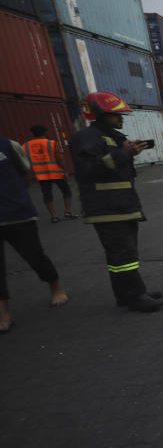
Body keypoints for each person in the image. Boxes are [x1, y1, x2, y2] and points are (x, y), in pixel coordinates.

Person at [69, 92, 163, 312]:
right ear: (101, 114)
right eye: (116, 114)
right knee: (124, 254)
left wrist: (128, 151)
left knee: (120, 255)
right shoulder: (88, 138)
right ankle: (136, 295)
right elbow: (90, 169)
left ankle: (125, 294)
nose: (121, 118)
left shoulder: (112, 136)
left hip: (121, 205)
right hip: (107, 207)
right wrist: (123, 154)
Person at [0, 136, 69, 333]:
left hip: (17, 214)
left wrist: (14, 197)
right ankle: (3, 312)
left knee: (35, 256)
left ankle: (55, 286)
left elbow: (26, 174)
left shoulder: (8, 146)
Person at [25, 125, 75, 223]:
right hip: (56, 173)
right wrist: (65, 171)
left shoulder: (26, 145)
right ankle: (68, 211)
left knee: (47, 195)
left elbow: (23, 160)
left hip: (41, 175)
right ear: (44, 132)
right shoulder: (51, 143)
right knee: (66, 191)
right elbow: (60, 159)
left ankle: (53, 216)